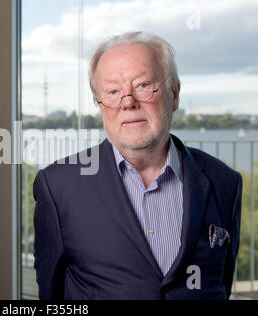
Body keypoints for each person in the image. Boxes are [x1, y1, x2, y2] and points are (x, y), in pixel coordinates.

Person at [32, 31, 242, 300]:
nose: (128, 102)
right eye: (112, 91)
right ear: (100, 104)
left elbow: (222, 284)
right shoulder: (58, 187)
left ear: (174, 95)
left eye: (143, 85)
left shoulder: (225, 182)